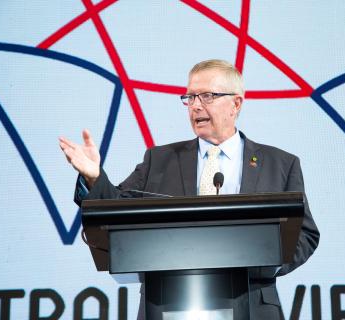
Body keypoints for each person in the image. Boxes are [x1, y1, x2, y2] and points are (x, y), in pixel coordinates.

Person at [59, 59, 319, 319]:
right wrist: (94, 177)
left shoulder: (280, 163)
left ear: (236, 104)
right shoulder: (159, 160)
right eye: (190, 97)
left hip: (251, 304)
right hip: (167, 304)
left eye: (207, 96)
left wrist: (267, 263)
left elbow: (305, 234)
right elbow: (115, 213)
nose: (195, 106)